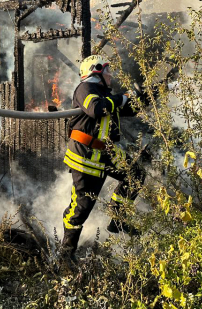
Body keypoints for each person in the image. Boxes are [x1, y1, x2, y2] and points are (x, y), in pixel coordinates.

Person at [61, 54, 148, 260]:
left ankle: (117, 220)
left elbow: (129, 109)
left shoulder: (103, 94)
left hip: (105, 153)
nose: (111, 75)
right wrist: (123, 97)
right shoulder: (85, 89)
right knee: (80, 208)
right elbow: (96, 109)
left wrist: (147, 96)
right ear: (96, 70)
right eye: (107, 70)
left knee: (135, 174)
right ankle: (65, 254)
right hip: (85, 155)